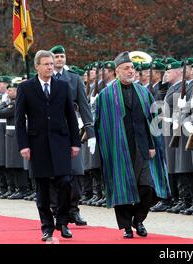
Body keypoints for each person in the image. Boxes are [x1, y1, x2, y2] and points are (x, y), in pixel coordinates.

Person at [94, 51, 169, 239]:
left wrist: (153, 145)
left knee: (148, 188)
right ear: (117, 71)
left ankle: (139, 219)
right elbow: (100, 124)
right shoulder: (106, 95)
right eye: (127, 68)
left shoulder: (144, 92)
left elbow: (152, 121)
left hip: (142, 148)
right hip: (119, 150)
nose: (131, 71)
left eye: (132, 68)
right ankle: (127, 226)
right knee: (123, 188)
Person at [15, 50, 81, 241]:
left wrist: (75, 142)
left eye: (52, 64)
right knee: (42, 189)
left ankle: (62, 221)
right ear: (37, 66)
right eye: (46, 64)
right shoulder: (26, 88)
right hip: (38, 144)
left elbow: (70, 115)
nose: (50, 67)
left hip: (61, 141)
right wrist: (23, 145)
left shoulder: (62, 86)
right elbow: (20, 120)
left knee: (65, 182)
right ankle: (47, 226)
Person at [49, 45, 95, 226]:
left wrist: (90, 132)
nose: (59, 59)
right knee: (53, 173)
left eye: (62, 56)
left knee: (76, 172)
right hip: (51, 129)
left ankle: (73, 209)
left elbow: (84, 106)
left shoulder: (74, 79)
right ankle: (56, 209)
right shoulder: (45, 78)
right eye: (56, 56)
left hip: (71, 128)